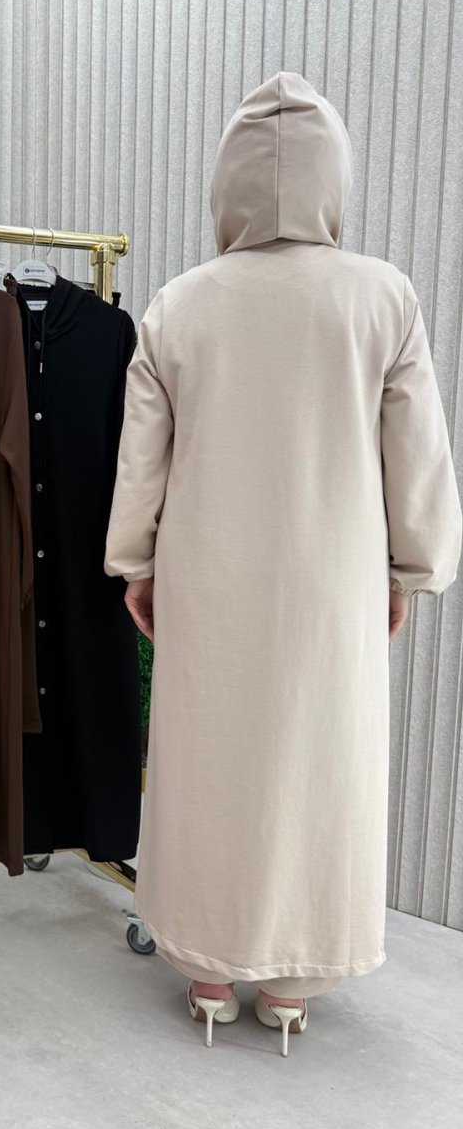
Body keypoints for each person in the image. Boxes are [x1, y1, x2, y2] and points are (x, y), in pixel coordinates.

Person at [104, 72, 461, 1056]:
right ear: (331, 178)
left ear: (227, 183)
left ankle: (209, 970)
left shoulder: (179, 306)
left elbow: (143, 458)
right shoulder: (381, 296)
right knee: (320, 759)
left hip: (207, 575)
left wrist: (136, 562)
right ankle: (297, 981)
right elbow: (417, 454)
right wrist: (409, 569)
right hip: (331, 584)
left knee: (207, 758)